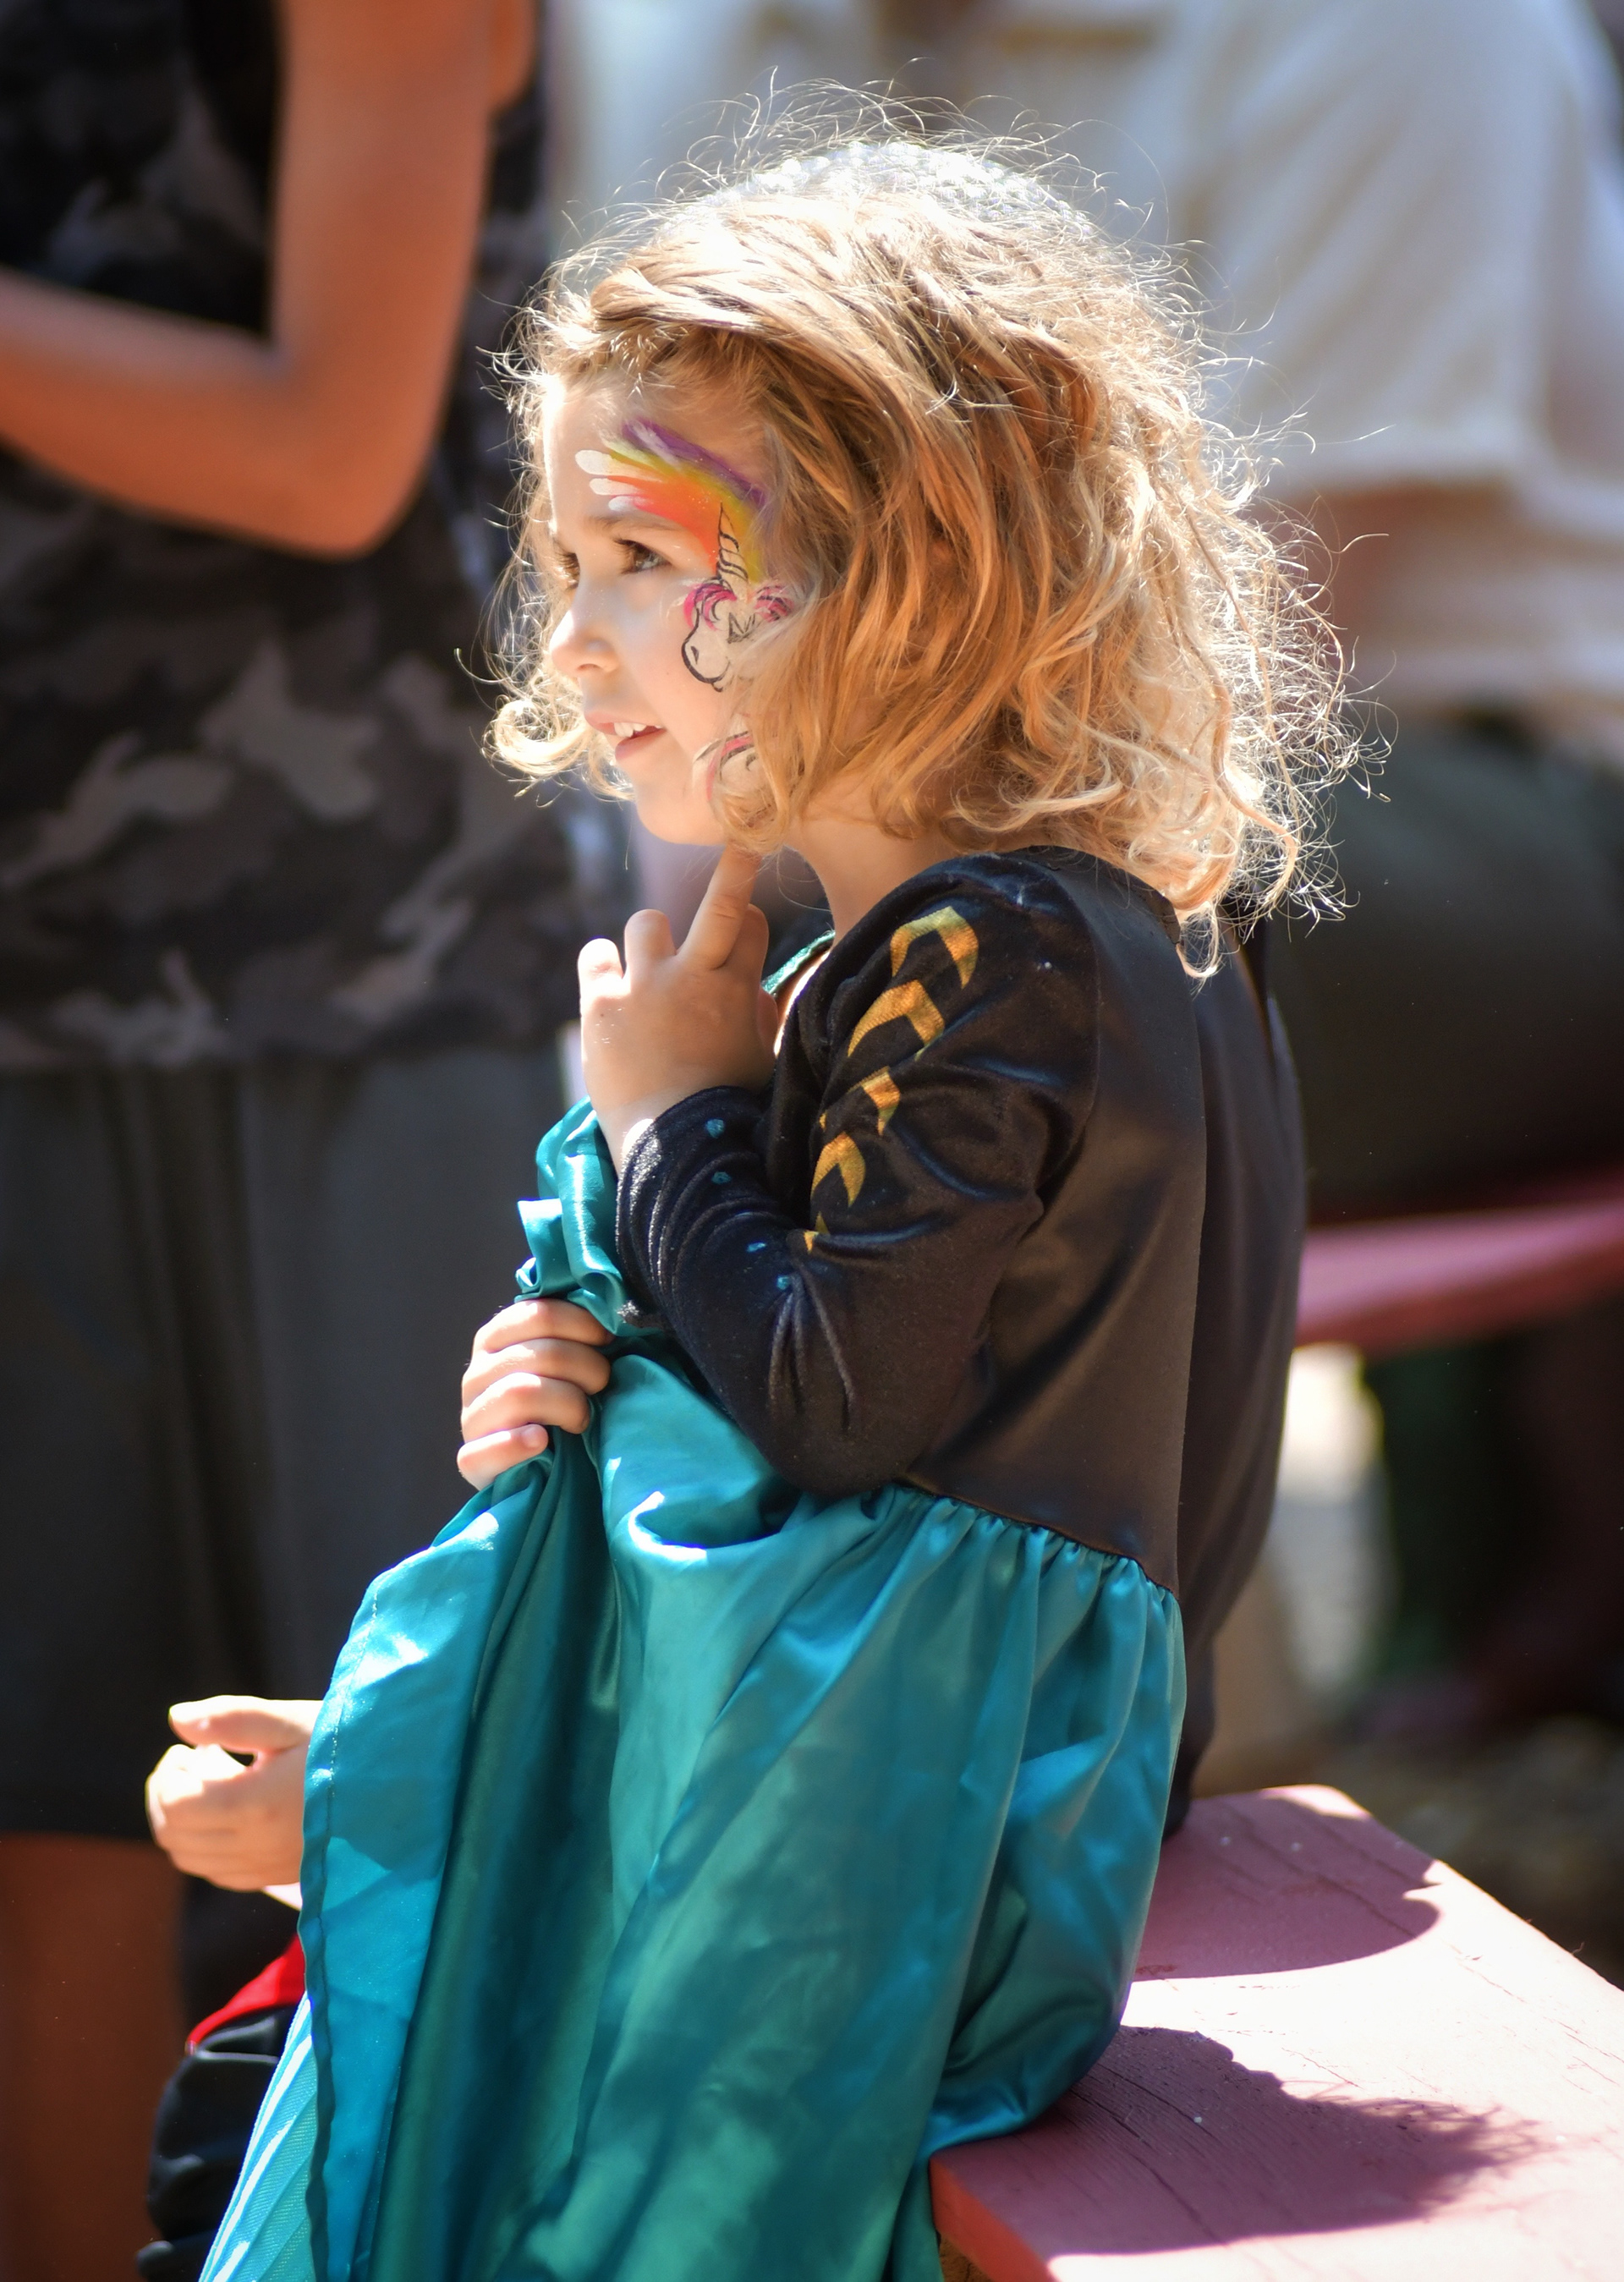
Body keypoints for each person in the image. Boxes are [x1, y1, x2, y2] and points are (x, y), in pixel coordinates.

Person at [184, 128, 1334, 2282]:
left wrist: (665, 1128)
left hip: (895, 1851)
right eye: (563, 557)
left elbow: (834, 1405)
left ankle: (386, 1787)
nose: (573, 632)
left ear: (916, 564)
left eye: (641, 552)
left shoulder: (991, 951)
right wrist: (605, 1364)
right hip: (976, 1793)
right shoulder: (1118, 930)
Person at [0, 3, 628, 2274]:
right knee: (45, 1809)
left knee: (423, 1796)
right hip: (26, 990)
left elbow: (330, 440)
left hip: (366, 972)